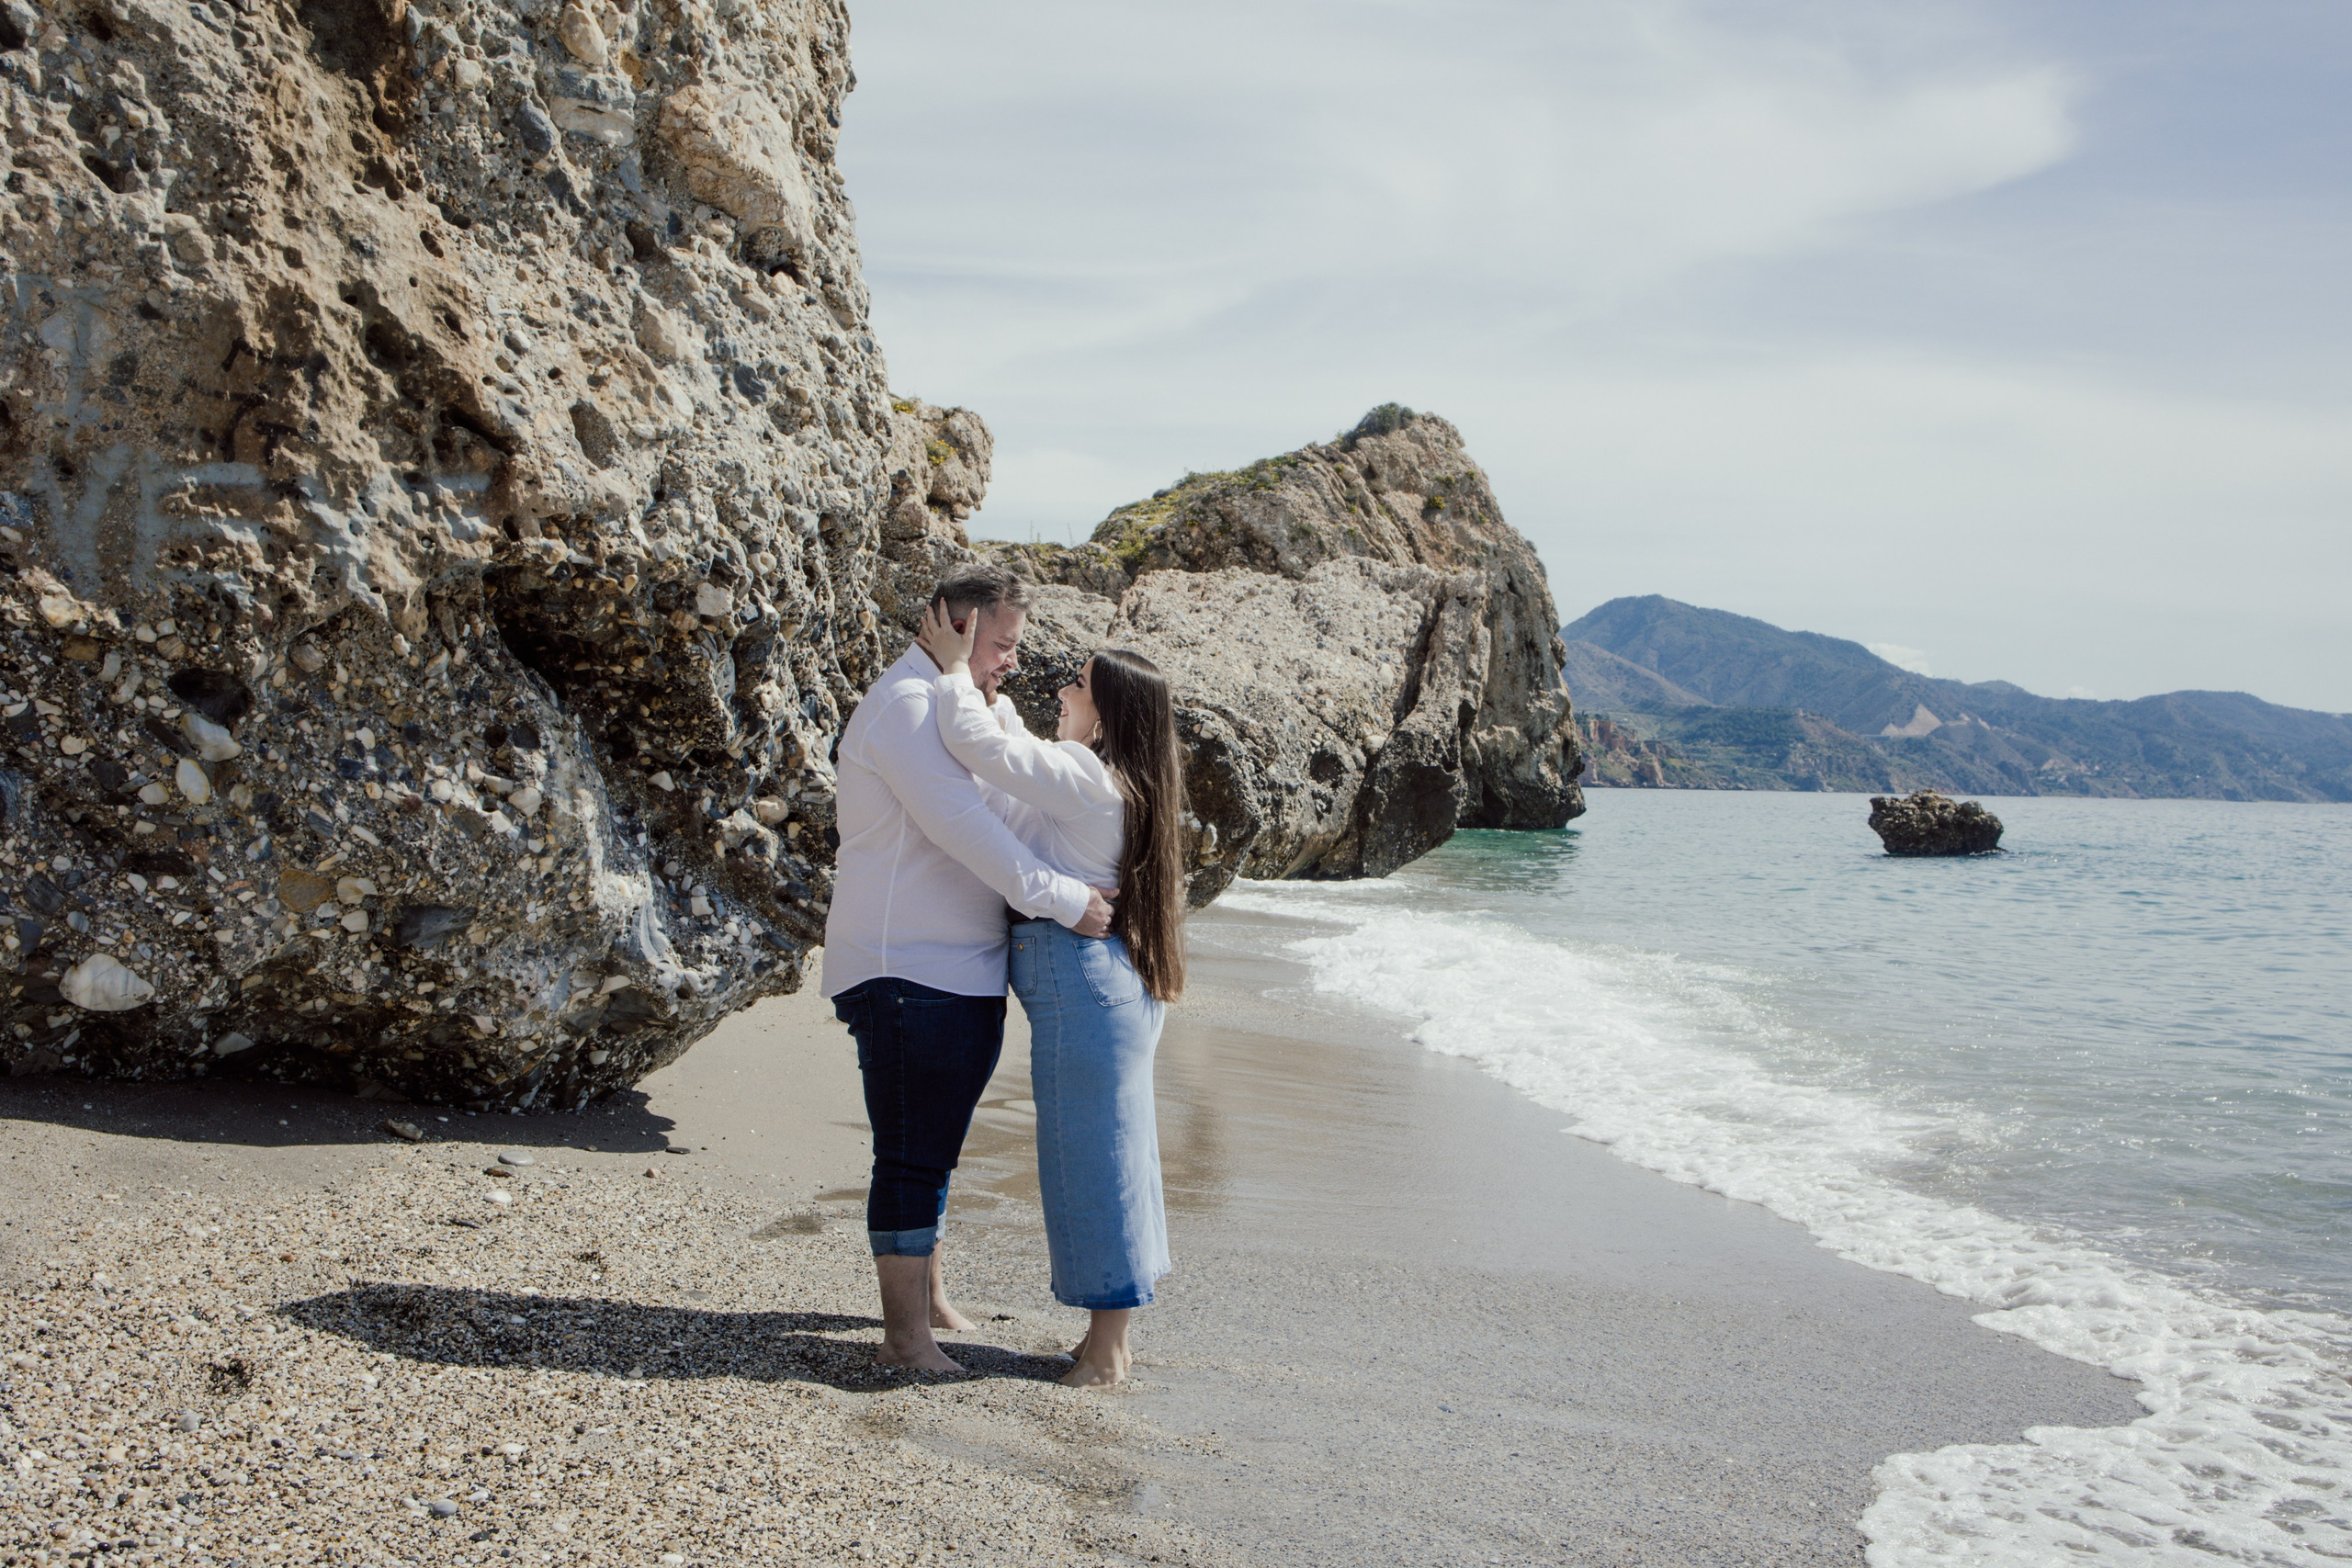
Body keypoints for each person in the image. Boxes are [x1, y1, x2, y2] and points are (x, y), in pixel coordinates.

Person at [822, 565, 1115, 1374]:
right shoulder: (909, 706)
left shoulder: (962, 703)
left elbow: (1015, 807)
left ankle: (930, 1303)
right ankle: (905, 1340)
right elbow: (967, 831)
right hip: (907, 967)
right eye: (1002, 644)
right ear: (956, 626)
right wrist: (1068, 900)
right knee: (912, 1154)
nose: (1012, 660)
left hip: (961, 970)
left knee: (936, 1144)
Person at [914, 598, 1187, 1388]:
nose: (1063, 691)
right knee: (1118, 1151)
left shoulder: (1085, 775)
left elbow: (980, 745)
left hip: (1082, 984)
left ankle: (1106, 1353)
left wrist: (954, 670)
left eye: (1078, 684)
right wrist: (987, 694)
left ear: (1107, 714)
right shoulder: (1112, 781)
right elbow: (1017, 748)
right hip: (1110, 983)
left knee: (1091, 1157)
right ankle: (1110, 1339)